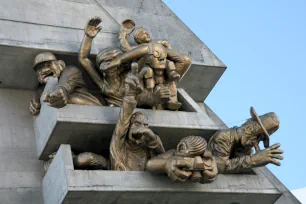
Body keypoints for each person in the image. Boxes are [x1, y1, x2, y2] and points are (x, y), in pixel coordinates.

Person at [79, 17, 171, 108]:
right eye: (106, 65)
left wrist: (121, 59)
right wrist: (88, 37)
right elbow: (83, 59)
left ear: (120, 66)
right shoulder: (103, 83)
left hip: (131, 112)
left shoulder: (129, 75)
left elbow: (146, 50)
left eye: (112, 64)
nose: (111, 68)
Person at [116, 20, 192, 110]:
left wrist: (163, 47)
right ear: (138, 39)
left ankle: (171, 84)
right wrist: (123, 35)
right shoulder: (138, 48)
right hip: (148, 76)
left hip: (164, 73)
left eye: (146, 32)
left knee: (170, 64)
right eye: (142, 34)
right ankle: (154, 98)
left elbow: (181, 60)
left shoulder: (158, 46)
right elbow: (126, 48)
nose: (146, 34)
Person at [110, 62, 165, 171]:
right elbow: (124, 119)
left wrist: (152, 137)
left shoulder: (146, 149)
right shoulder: (119, 145)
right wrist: (130, 95)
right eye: (137, 123)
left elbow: (162, 158)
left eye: (145, 125)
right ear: (128, 126)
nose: (141, 128)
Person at [208, 107, 284, 174]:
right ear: (249, 128)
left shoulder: (246, 147)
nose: (256, 143)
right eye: (258, 136)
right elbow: (220, 166)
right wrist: (253, 160)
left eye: (261, 139)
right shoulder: (224, 136)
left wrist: (255, 158)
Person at [29, 52, 102, 116]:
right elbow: (41, 95)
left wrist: (61, 92)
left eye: (49, 65)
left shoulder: (71, 70)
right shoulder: (43, 88)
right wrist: (37, 102)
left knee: (69, 99)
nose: (44, 70)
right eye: (40, 69)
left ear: (61, 64)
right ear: (38, 77)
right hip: (71, 120)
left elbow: (63, 87)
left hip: (93, 108)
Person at [146, 136, 218, 183]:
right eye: (191, 157)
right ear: (181, 148)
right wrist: (167, 164)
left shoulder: (207, 157)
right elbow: (151, 164)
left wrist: (212, 163)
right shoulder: (174, 153)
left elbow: (222, 163)